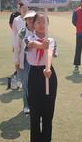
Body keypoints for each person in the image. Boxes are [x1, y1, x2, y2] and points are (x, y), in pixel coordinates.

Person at [26, 13, 57, 142]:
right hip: (34, 76)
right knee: (35, 113)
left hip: (48, 74)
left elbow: (49, 52)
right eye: (38, 22)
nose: (41, 24)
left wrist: (48, 67)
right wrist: (41, 45)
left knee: (48, 113)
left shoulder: (51, 39)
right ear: (33, 25)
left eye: (44, 22)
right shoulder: (28, 37)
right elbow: (31, 44)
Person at [13, 10, 36, 114]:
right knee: (25, 84)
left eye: (33, 18)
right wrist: (16, 61)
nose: (31, 21)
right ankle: (26, 105)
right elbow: (17, 48)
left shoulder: (39, 30)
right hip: (25, 61)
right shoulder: (22, 32)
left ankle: (35, 105)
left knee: (36, 84)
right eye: (29, 19)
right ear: (25, 20)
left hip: (37, 61)